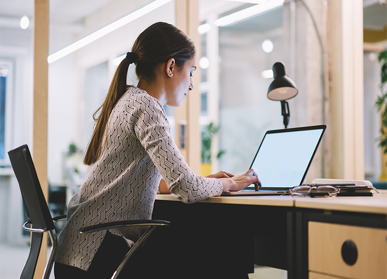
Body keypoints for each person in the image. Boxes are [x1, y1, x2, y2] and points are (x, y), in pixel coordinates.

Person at [54, 22, 260, 279]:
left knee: (213, 249)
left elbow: (151, 181)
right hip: (95, 250)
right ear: (171, 67)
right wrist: (230, 184)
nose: (192, 84)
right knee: (223, 251)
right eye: (192, 71)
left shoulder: (127, 100)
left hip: (78, 249)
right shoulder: (147, 108)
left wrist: (205, 181)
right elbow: (186, 188)